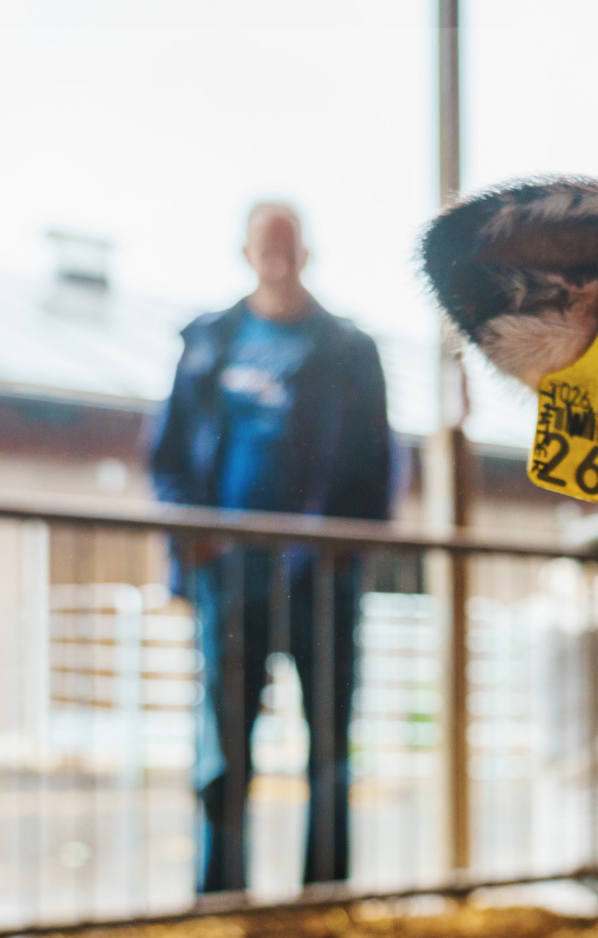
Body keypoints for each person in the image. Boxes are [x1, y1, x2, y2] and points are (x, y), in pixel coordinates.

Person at [148, 202, 392, 895]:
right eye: (266, 246)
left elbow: (379, 463)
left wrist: (351, 546)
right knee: (223, 750)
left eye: (288, 246)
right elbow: (167, 458)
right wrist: (187, 538)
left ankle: (326, 899)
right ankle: (221, 899)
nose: (277, 259)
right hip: (231, 577)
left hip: (321, 580)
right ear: (246, 252)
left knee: (329, 750)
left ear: (306, 253)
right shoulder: (209, 344)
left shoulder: (348, 349)